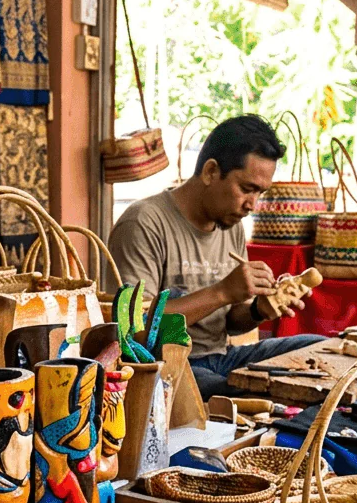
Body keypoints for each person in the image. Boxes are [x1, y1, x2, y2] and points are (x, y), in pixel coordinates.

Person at [108, 114, 323, 398]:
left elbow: (232, 323)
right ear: (210, 172)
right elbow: (133, 331)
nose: (252, 205)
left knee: (319, 350)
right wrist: (222, 292)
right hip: (165, 367)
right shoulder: (144, 223)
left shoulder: (230, 224)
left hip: (223, 359)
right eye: (246, 189)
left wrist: (259, 309)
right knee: (250, 391)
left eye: (260, 193)